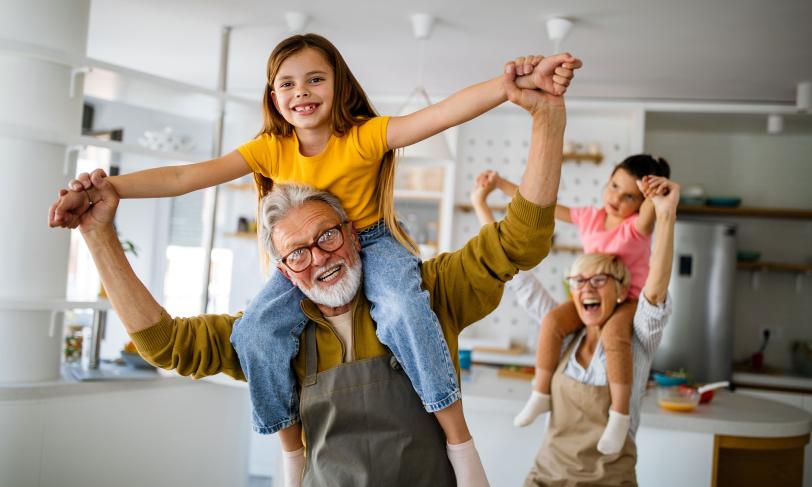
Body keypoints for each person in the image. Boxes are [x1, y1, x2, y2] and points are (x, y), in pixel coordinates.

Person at [49, 33, 580, 484]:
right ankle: (289, 455)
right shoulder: (269, 150)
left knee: (401, 309)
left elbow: (441, 118)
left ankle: (462, 447)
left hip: (379, 244)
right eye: (287, 83)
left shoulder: (366, 141)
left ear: (339, 84)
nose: (301, 92)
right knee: (256, 332)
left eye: (315, 79)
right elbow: (184, 179)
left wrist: (511, 90)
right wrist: (105, 192)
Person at [471, 172, 678, 485]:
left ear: (622, 290)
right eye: (579, 281)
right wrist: (480, 205)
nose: (586, 289)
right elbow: (517, 278)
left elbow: (656, 291)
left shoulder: (637, 338)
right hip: (546, 477)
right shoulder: (565, 333)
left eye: (599, 280)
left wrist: (665, 215)